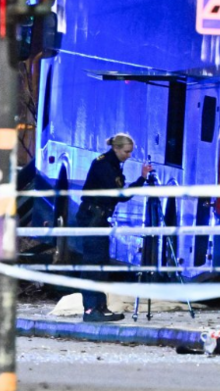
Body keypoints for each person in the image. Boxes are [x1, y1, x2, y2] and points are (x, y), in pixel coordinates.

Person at [76, 133, 152, 322]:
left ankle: (100, 306)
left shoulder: (112, 164)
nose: (129, 155)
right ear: (116, 149)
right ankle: (91, 308)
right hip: (92, 217)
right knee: (93, 264)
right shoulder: (104, 165)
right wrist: (141, 180)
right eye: (126, 152)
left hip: (98, 217)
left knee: (100, 264)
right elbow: (120, 194)